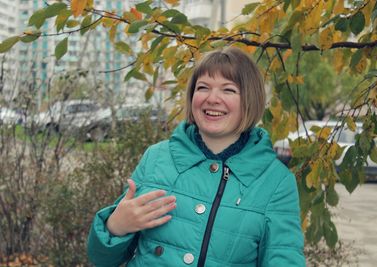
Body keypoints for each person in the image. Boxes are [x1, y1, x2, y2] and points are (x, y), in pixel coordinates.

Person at [87, 47, 305, 266]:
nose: (212, 98)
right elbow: (102, 259)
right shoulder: (156, 158)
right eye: (203, 87)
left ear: (250, 99)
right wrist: (116, 227)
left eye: (228, 90)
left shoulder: (276, 181)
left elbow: (285, 259)